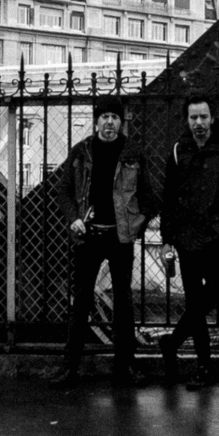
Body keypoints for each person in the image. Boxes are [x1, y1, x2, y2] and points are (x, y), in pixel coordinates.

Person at [53, 95, 156, 389]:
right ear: (96, 121)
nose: (110, 122)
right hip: (88, 235)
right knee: (81, 301)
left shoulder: (133, 153)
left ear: (121, 122)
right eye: (105, 117)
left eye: (115, 117)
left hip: (120, 236)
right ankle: (70, 367)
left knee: (123, 302)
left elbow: (149, 197)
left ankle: (125, 366)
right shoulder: (81, 151)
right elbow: (63, 190)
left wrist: (136, 224)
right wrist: (74, 217)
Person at [159, 94, 219, 388]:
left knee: (212, 292)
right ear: (187, 120)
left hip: (216, 236)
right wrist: (167, 239)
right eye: (193, 118)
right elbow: (168, 197)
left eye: (203, 117)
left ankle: (172, 342)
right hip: (186, 237)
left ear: (212, 118)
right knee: (194, 301)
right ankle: (203, 366)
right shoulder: (179, 149)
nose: (198, 123)